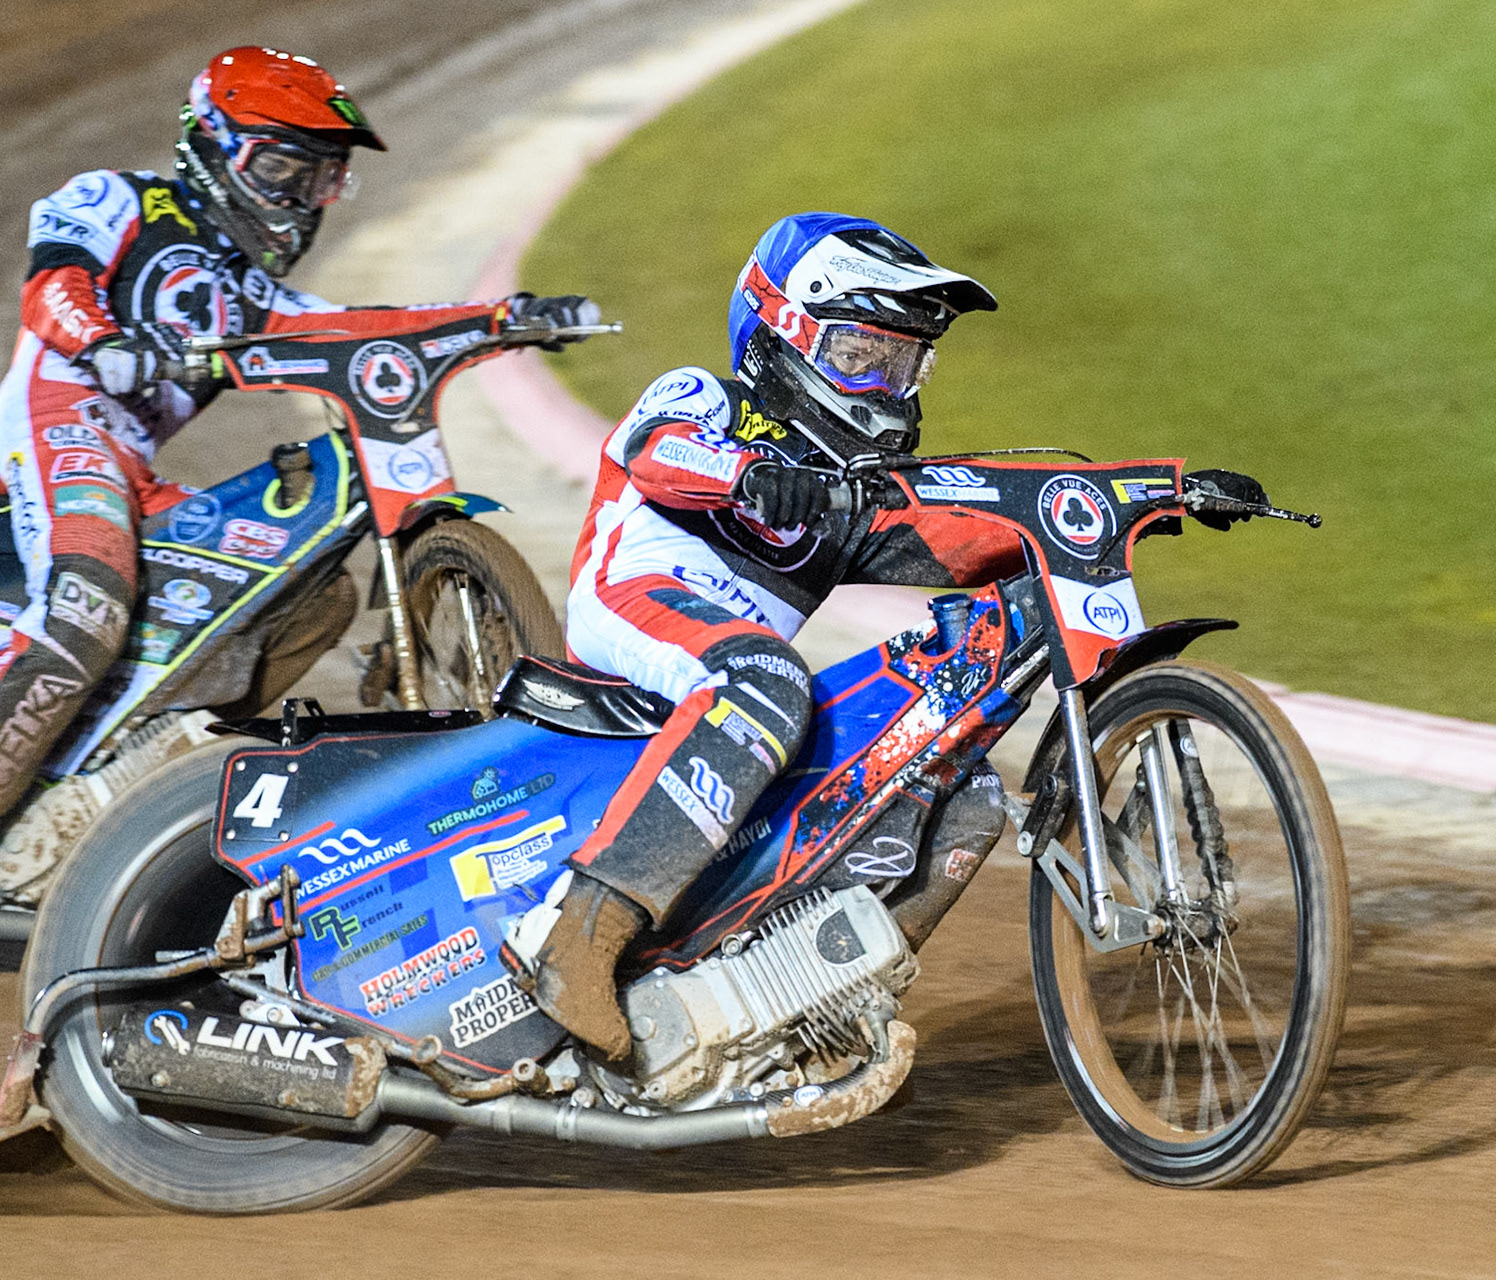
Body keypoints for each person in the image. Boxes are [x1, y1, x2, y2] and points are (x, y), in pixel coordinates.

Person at [0, 46, 593, 990]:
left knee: (302, 598)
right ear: (212, 147)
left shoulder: (256, 293)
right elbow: (52, 287)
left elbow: (356, 327)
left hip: (134, 468)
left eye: (323, 174)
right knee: (88, 603)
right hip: (60, 417)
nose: (303, 195)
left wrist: (505, 319)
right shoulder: (117, 198)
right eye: (283, 166)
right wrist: (108, 342)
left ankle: (116, 785)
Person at [504, 212, 1266, 1058]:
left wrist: (1160, 492)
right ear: (783, 338)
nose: (886, 387)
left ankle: (805, 1002)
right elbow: (657, 453)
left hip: (741, 684)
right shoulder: (709, 396)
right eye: (860, 359)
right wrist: (751, 473)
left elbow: (989, 515)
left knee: (963, 788)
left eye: (902, 365)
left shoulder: (852, 495)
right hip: (635, 603)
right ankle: (574, 932)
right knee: (767, 677)